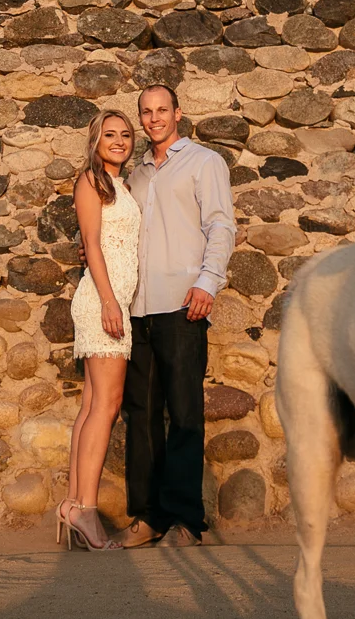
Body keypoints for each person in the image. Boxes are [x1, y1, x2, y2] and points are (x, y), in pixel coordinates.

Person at [117, 83, 236, 548]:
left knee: (184, 412)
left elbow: (221, 224)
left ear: (178, 113)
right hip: (138, 306)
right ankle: (149, 516)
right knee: (142, 413)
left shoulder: (205, 163)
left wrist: (208, 281)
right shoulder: (138, 174)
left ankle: (187, 521)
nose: (153, 119)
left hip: (183, 302)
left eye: (161, 110)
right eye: (146, 112)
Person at [59, 109, 141, 550]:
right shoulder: (91, 180)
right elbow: (91, 243)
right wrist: (111, 302)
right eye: (110, 134)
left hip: (113, 302)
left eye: (125, 135)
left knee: (92, 405)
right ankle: (86, 512)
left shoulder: (120, 184)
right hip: (103, 303)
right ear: (95, 140)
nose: (118, 141)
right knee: (106, 406)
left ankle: (73, 505)